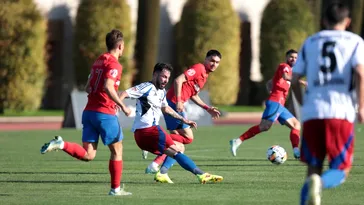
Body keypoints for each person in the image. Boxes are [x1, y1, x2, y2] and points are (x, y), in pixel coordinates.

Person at [40, 29, 132, 196]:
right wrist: (123, 106)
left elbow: (88, 87)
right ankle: (115, 189)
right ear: (120, 46)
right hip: (104, 114)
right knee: (117, 151)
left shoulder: (98, 61)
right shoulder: (114, 64)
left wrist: (104, 96)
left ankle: (62, 144)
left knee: (89, 154)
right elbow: (108, 86)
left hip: (89, 112)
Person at [291, 2, 364, 205]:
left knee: (312, 168)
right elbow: (360, 72)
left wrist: (303, 105)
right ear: (348, 21)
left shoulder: (311, 41)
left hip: (314, 111)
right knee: (341, 170)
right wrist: (362, 106)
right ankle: (321, 183)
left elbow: (295, 80)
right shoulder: (355, 41)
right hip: (341, 112)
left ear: (324, 21)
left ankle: (313, 186)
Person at [119, 62, 223, 184]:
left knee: (179, 146)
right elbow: (123, 94)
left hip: (145, 135)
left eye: (167, 78)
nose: (165, 80)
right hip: (148, 131)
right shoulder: (146, 87)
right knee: (177, 150)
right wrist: (121, 106)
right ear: (155, 74)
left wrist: (184, 120)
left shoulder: (162, 92)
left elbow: (166, 109)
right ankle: (201, 174)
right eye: (163, 76)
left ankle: (162, 172)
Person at [143, 50, 222, 174]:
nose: (214, 64)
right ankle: (153, 141)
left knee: (177, 144)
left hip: (174, 103)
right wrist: (179, 100)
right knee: (188, 138)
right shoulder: (199, 68)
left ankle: (157, 166)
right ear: (206, 59)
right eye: (212, 60)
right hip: (174, 103)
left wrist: (208, 108)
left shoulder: (204, 76)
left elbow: (193, 95)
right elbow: (178, 80)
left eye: (217, 62)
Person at [229, 49, 306, 159]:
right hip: (276, 102)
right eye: (291, 57)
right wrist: (302, 82)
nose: (293, 59)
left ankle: (296, 150)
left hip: (279, 103)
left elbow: (269, 83)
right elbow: (285, 77)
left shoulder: (291, 71)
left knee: (296, 125)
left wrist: (272, 89)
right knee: (264, 127)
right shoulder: (285, 66)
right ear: (286, 57)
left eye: (295, 58)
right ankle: (238, 141)